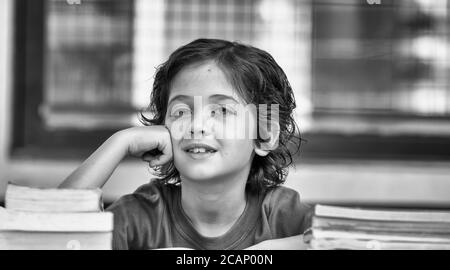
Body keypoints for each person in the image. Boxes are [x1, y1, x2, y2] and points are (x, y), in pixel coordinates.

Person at [59, 38, 311, 250]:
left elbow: (344, 240)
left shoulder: (283, 215)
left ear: (264, 134)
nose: (197, 125)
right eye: (181, 111)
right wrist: (122, 140)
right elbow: (48, 229)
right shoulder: (140, 216)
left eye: (221, 110)